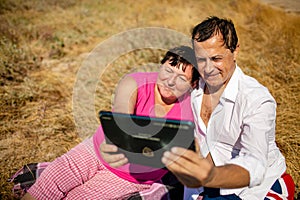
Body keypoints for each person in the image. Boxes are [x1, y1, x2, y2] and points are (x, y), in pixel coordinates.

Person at [22, 45, 200, 200]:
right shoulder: (135, 82)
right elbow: (121, 116)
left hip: (131, 176)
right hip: (95, 150)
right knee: (45, 188)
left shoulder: (192, 107)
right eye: (168, 71)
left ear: (193, 84)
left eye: (181, 78)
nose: (170, 81)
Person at [161, 16, 295, 200]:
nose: (208, 69)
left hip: (257, 190)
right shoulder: (193, 88)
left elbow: (254, 164)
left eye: (216, 58)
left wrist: (210, 176)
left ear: (235, 51)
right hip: (201, 188)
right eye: (201, 59)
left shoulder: (256, 99)